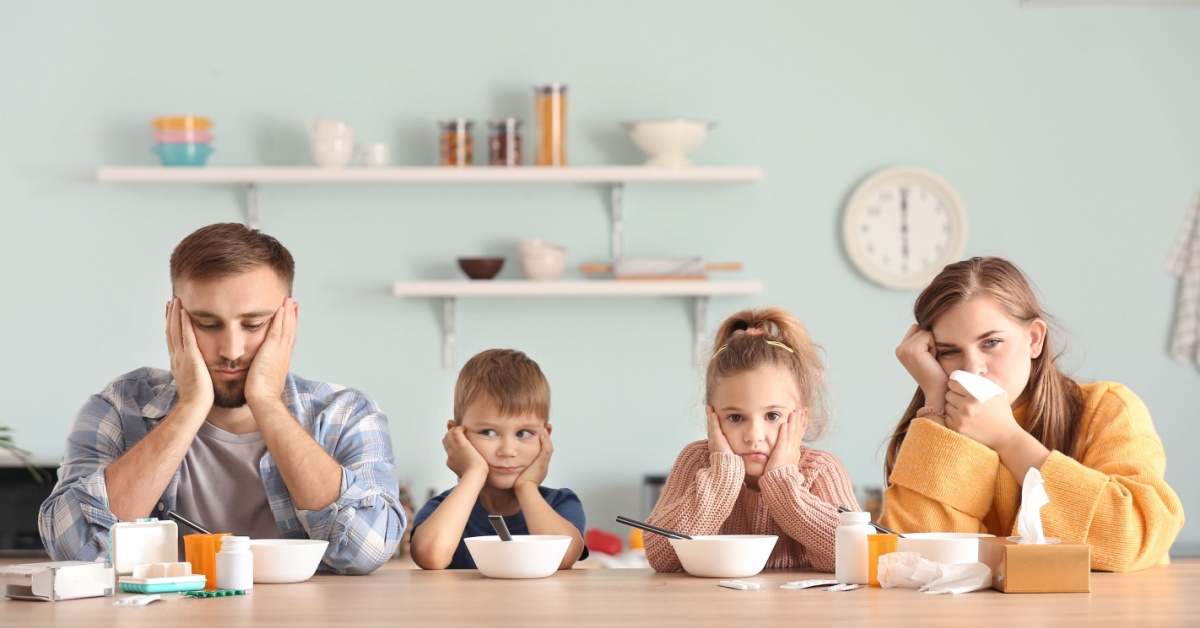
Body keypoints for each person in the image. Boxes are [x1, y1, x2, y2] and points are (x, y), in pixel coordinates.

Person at [38, 223, 405, 575]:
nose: (231, 350)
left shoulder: (347, 414)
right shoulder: (118, 408)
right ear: (174, 319)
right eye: (207, 324)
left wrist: (267, 402)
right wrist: (189, 407)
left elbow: (365, 551)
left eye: (254, 324)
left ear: (288, 319)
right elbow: (75, 548)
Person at [880, 256, 1185, 572]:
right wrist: (935, 401)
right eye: (949, 351)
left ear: (1034, 339)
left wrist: (1008, 438)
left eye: (992, 342)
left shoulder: (1108, 410)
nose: (973, 368)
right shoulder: (936, 428)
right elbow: (915, 563)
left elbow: (1131, 537)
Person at [645, 307, 860, 573]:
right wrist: (722, 477)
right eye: (736, 418)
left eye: (772, 415)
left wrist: (783, 482)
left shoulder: (820, 469)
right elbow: (661, 557)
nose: (753, 436)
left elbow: (855, 557)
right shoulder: (697, 461)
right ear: (712, 418)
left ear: (801, 420)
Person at [409, 349, 587, 570]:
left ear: (545, 437)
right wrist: (473, 473)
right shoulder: (441, 510)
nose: (507, 450)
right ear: (457, 436)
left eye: (524, 433)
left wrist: (526, 486)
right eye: (488, 432)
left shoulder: (560, 503)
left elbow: (562, 557)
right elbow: (431, 556)